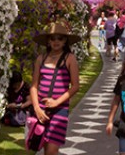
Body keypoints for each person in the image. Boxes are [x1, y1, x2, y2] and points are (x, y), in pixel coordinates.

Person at [29, 21, 81, 154]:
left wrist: (56, 102)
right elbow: (34, 86)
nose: (56, 41)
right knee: (38, 145)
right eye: (53, 38)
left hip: (59, 110)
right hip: (41, 109)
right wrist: (37, 108)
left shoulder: (69, 58)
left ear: (65, 41)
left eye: (60, 38)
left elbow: (75, 86)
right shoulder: (41, 58)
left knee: (51, 151)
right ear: (48, 41)